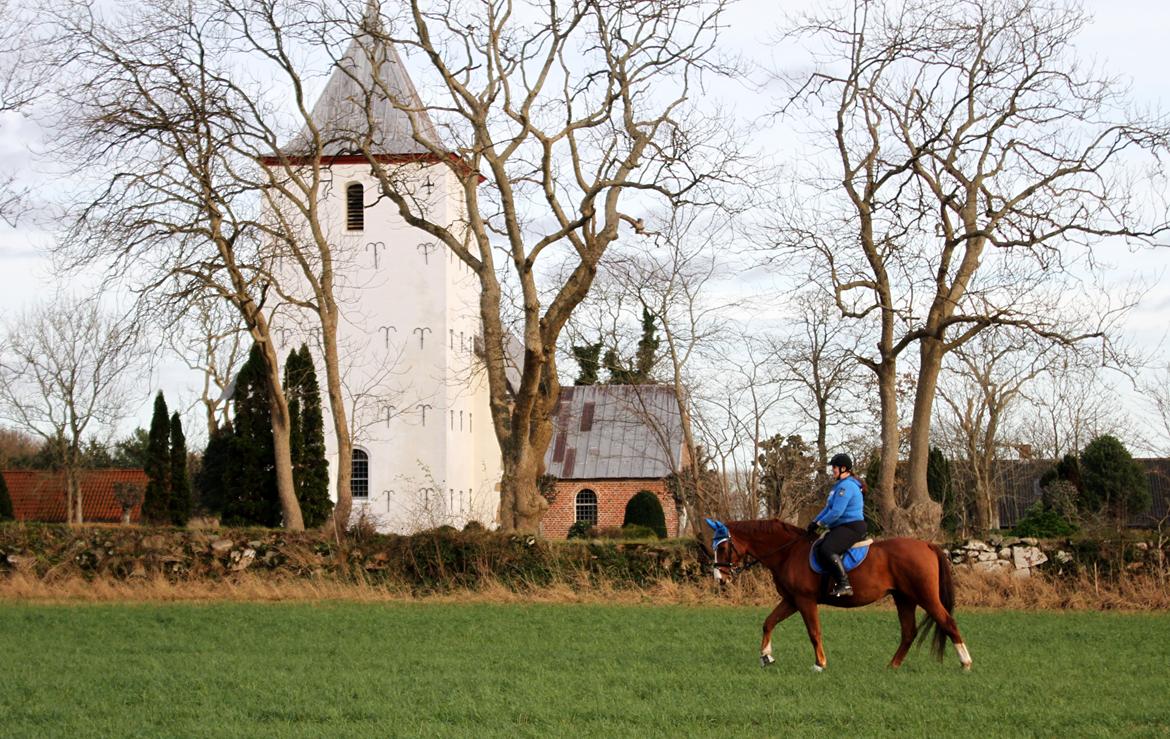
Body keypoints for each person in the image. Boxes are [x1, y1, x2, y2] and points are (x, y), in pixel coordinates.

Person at [806, 452, 866, 597]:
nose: (832, 470)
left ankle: (845, 584)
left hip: (852, 527)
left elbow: (837, 512)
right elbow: (828, 509)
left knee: (827, 549)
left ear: (844, 469)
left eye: (834, 467)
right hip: (841, 527)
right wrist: (814, 521)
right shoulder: (838, 487)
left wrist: (821, 523)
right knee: (819, 546)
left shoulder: (847, 487)